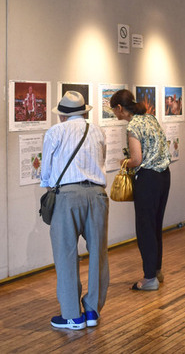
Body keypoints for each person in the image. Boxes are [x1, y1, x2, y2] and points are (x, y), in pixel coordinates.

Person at [41, 91, 109, 330]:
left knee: (66, 254)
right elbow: (102, 160)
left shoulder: (55, 132)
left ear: (62, 114)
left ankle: (71, 316)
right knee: (98, 252)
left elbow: (46, 174)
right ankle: (92, 310)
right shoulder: (98, 131)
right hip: (98, 194)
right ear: (83, 111)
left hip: (68, 196)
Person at [110, 89, 171, 290]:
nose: (115, 116)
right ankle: (157, 270)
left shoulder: (133, 126)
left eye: (114, 111)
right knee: (155, 225)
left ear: (120, 108)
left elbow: (136, 159)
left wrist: (123, 162)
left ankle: (149, 278)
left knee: (144, 228)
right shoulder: (150, 118)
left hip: (147, 179)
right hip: (164, 175)